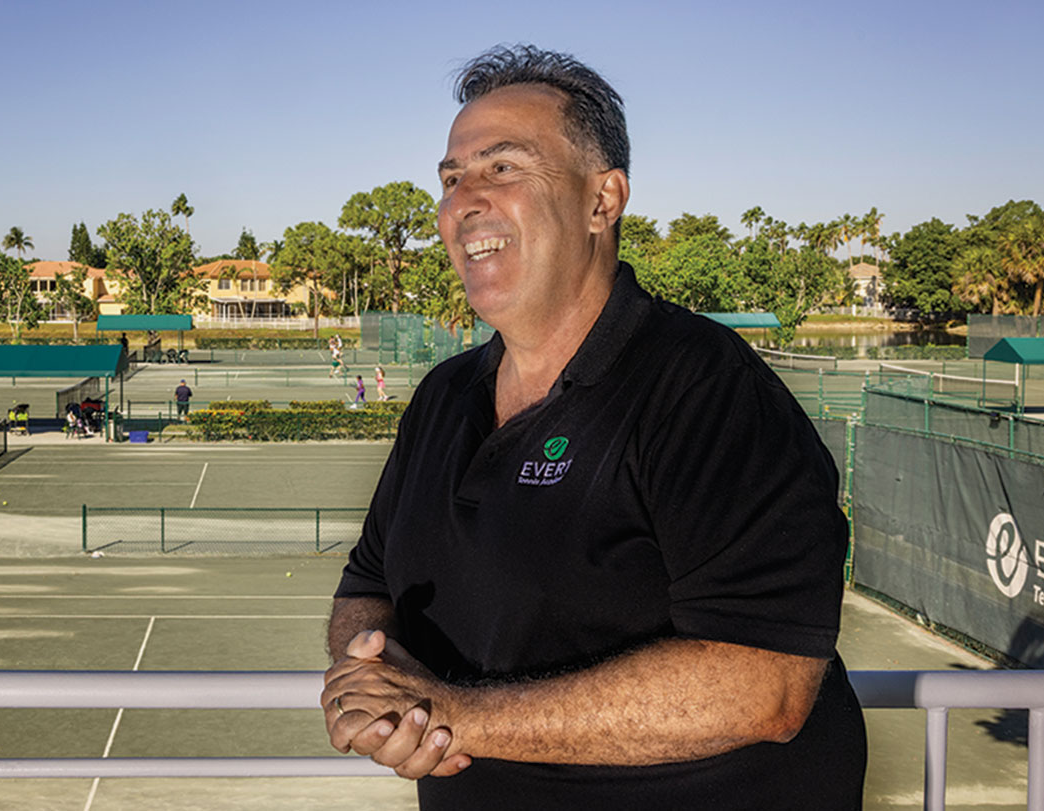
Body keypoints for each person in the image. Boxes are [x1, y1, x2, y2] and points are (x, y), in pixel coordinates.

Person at [321, 45, 865, 810]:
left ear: (602, 202)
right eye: (451, 178)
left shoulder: (706, 387)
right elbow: (368, 586)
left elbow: (766, 682)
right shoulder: (444, 397)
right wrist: (366, 680)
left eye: (502, 167)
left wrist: (459, 715)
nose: (463, 200)